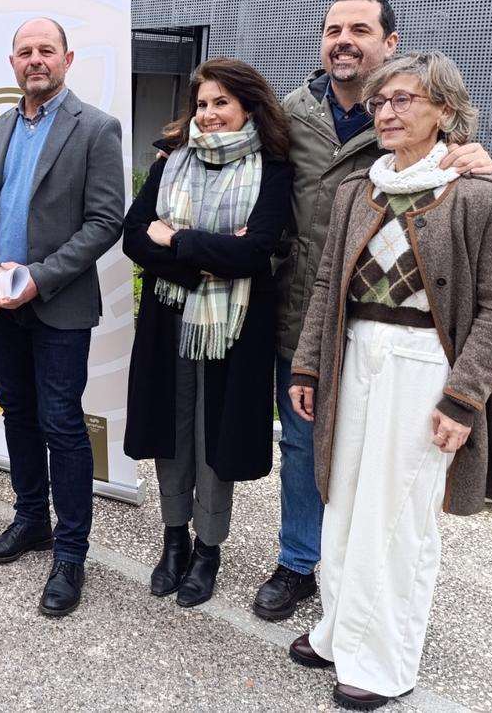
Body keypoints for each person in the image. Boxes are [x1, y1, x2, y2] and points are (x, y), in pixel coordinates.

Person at [285, 51, 492, 710]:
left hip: (425, 369)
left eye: (402, 101)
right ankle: (338, 631)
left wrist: (463, 397)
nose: (385, 113)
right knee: (344, 498)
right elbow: (329, 284)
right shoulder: (357, 191)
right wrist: (309, 364)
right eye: (379, 102)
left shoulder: (483, 196)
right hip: (353, 356)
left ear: (444, 111)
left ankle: (383, 661)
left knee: (397, 518)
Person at [254, 0, 492, 622]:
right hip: (306, 316)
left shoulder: (415, 126)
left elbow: (491, 272)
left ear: (389, 43)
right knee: (308, 447)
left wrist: (479, 159)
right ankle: (301, 562)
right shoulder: (289, 115)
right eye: (333, 28)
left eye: (359, 29)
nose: (343, 40)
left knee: (384, 471)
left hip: (402, 340)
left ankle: (372, 599)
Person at [0, 17, 125, 617]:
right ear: (12, 63)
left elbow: (106, 222)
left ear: (67, 58)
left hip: (57, 305)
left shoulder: (97, 129)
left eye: (46, 50)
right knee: (18, 414)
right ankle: (31, 520)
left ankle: (71, 553)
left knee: (61, 424)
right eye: (25, 51)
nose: (36, 60)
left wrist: (38, 279)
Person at [123, 58, 294, 608]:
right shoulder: (171, 160)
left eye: (221, 102)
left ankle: (207, 549)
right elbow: (132, 238)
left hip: (236, 329)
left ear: (248, 105)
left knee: (214, 441)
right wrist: (211, 253)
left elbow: (256, 250)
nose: (210, 113)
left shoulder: (273, 167)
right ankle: (173, 540)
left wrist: (175, 240)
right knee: (171, 435)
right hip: (167, 321)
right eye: (201, 103)